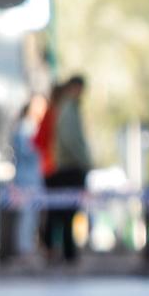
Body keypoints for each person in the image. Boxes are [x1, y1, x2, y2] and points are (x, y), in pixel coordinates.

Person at [43, 76, 92, 263]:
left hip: (62, 166)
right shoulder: (67, 109)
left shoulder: (63, 108)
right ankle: (64, 250)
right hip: (68, 166)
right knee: (63, 211)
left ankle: (62, 249)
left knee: (61, 212)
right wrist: (84, 160)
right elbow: (70, 139)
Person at [11, 93, 49, 256]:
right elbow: (30, 152)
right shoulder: (27, 127)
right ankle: (24, 248)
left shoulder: (33, 126)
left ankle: (28, 246)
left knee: (32, 216)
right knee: (27, 215)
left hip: (33, 176)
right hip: (27, 178)